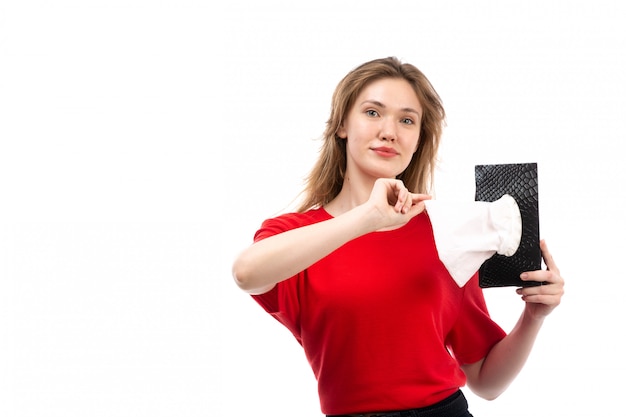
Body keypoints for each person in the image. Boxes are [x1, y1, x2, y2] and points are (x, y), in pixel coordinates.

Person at [231, 56, 564, 417]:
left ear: (418, 138)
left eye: (407, 120)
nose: (389, 131)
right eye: (373, 113)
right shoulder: (295, 235)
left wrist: (533, 316)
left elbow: (486, 381)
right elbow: (247, 273)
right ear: (342, 125)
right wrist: (368, 217)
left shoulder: (446, 233)